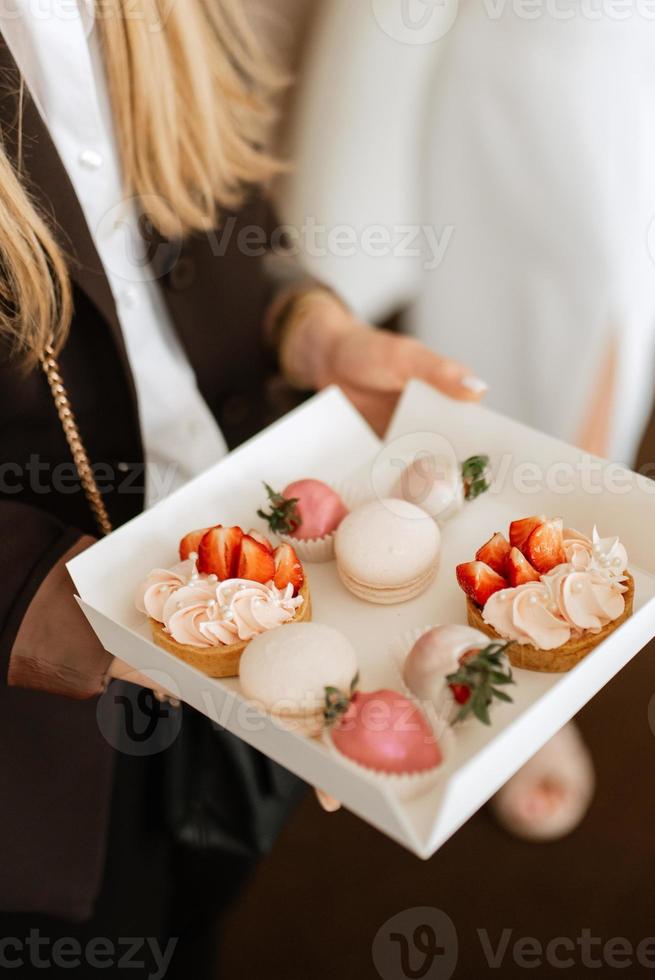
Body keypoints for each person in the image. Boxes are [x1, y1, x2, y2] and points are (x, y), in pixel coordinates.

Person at [0, 1, 485, 974]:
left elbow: (218, 211)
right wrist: (36, 594)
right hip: (36, 750)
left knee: (199, 910)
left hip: (233, 597)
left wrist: (306, 325)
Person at [277, 0, 655, 839]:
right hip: (498, 58)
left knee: (603, 328)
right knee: (467, 337)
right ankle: (454, 605)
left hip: (619, 63)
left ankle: (540, 641)